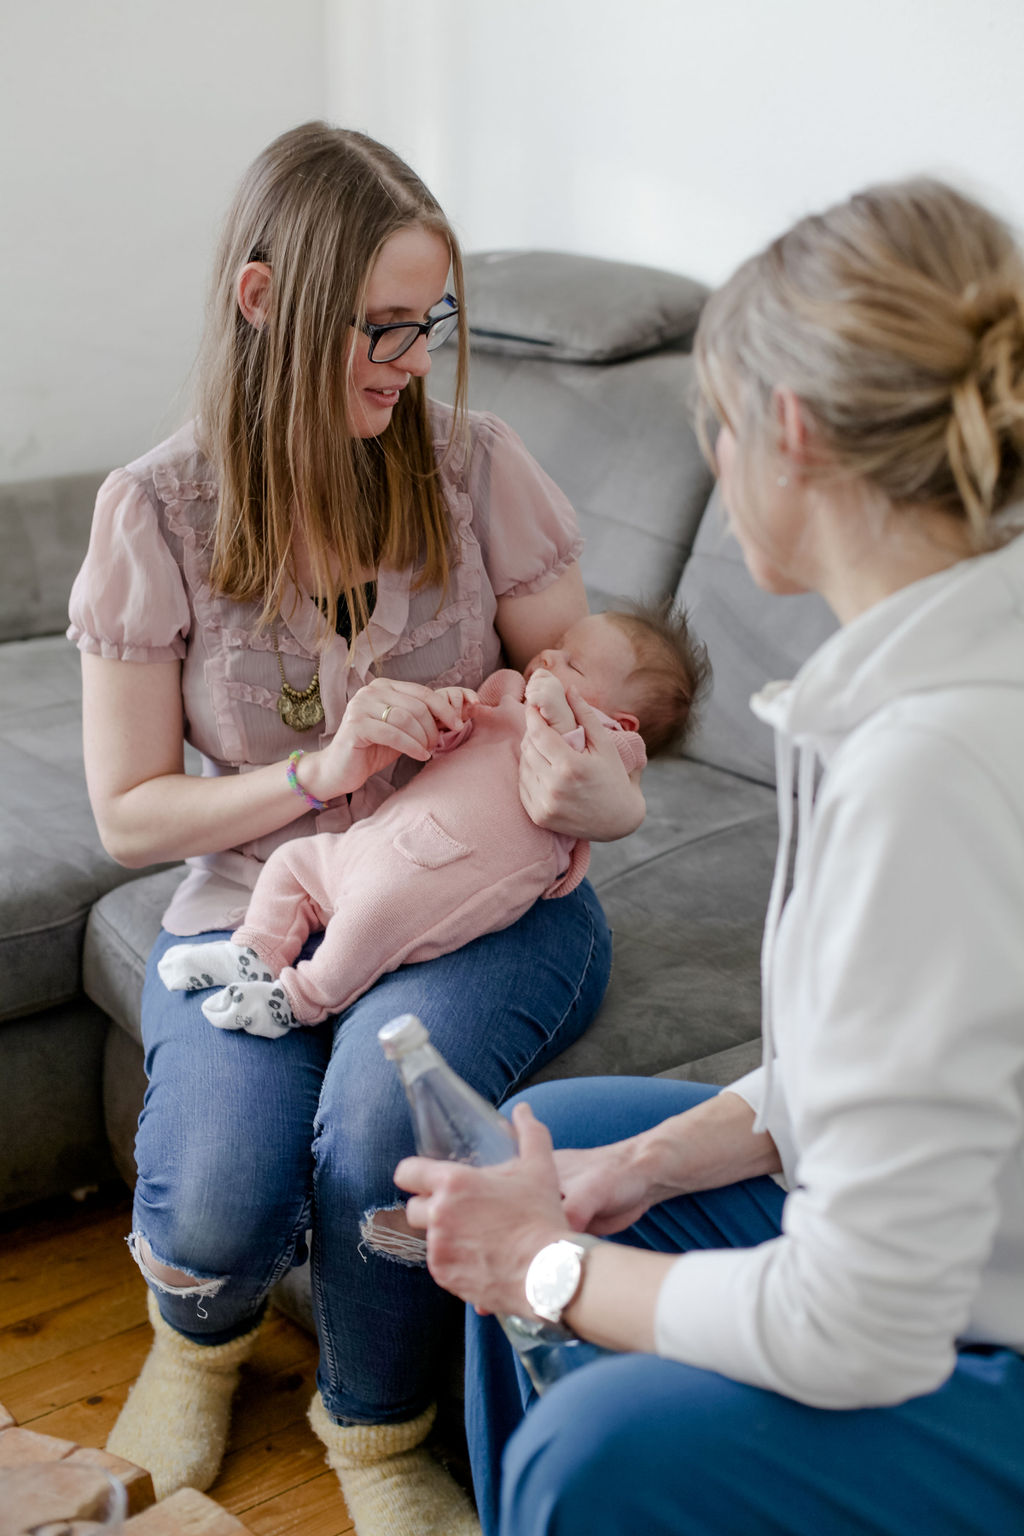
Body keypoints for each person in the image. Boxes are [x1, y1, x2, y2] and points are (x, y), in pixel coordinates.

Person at [396, 176, 1024, 1536]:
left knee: (602, 1449)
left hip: (983, 1341)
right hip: (970, 1243)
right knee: (581, 1139)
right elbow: (900, 1058)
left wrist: (550, 1267)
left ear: (788, 432)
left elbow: (860, 1327)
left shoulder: (935, 768)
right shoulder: (934, 676)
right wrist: (643, 1173)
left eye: (718, 429)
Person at [67, 122, 645, 1536]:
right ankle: (195, 1345)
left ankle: (379, 1437)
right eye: (378, 325)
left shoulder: (473, 468)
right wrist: (319, 771)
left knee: (378, 1131)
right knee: (214, 1188)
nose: (408, 357)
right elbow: (133, 809)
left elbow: (604, 708)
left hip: (492, 901)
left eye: (427, 321)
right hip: (267, 895)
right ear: (264, 301)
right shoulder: (158, 512)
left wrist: (598, 789)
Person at [157, 605, 708, 1034]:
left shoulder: (605, 746)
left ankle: (299, 1000)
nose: (547, 659)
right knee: (294, 863)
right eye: (558, 648)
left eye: (574, 664)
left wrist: (556, 709)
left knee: (375, 918)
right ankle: (254, 952)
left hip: (444, 867)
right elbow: (458, 742)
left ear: (623, 721)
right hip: (381, 836)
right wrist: (449, 714)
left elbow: (575, 757)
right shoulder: (509, 697)